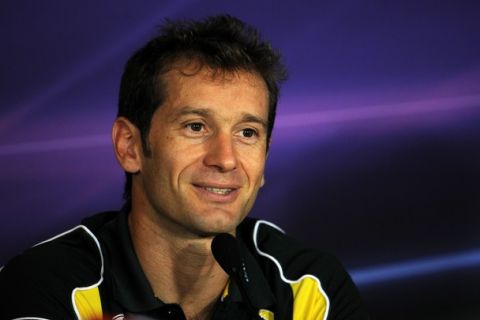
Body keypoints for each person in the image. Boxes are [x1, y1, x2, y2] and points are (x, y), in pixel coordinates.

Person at [0, 15, 368, 320]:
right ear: (129, 146)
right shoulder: (42, 286)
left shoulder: (309, 285)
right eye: (196, 126)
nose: (225, 159)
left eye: (247, 132)